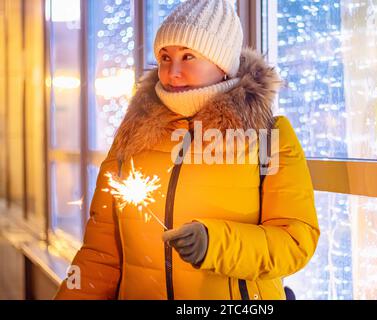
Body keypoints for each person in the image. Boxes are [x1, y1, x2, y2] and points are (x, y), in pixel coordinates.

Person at [54, 0, 319, 300]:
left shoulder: (267, 136)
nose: (172, 71)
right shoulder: (133, 135)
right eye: (165, 57)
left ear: (223, 65)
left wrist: (214, 243)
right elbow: (100, 255)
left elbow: (295, 241)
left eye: (188, 56)